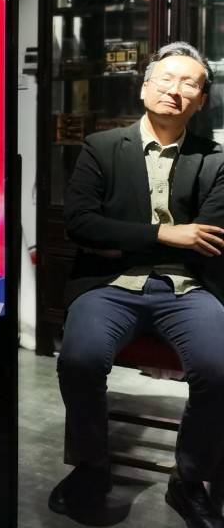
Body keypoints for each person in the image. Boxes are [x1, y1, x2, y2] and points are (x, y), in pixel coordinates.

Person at [51, 42, 224, 527]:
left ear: (201, 100)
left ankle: (188, 478)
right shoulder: (102, 147)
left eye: (189, 83)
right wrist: (165, 234)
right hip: (109, 285)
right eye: (165, 79)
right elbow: (80, 224)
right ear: (144, 88)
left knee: (220, 369)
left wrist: (118, 236)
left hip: (189, 288)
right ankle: (92, 467)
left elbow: (209, 236)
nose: (175, 89)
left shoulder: (215, 159)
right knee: (80, 360)